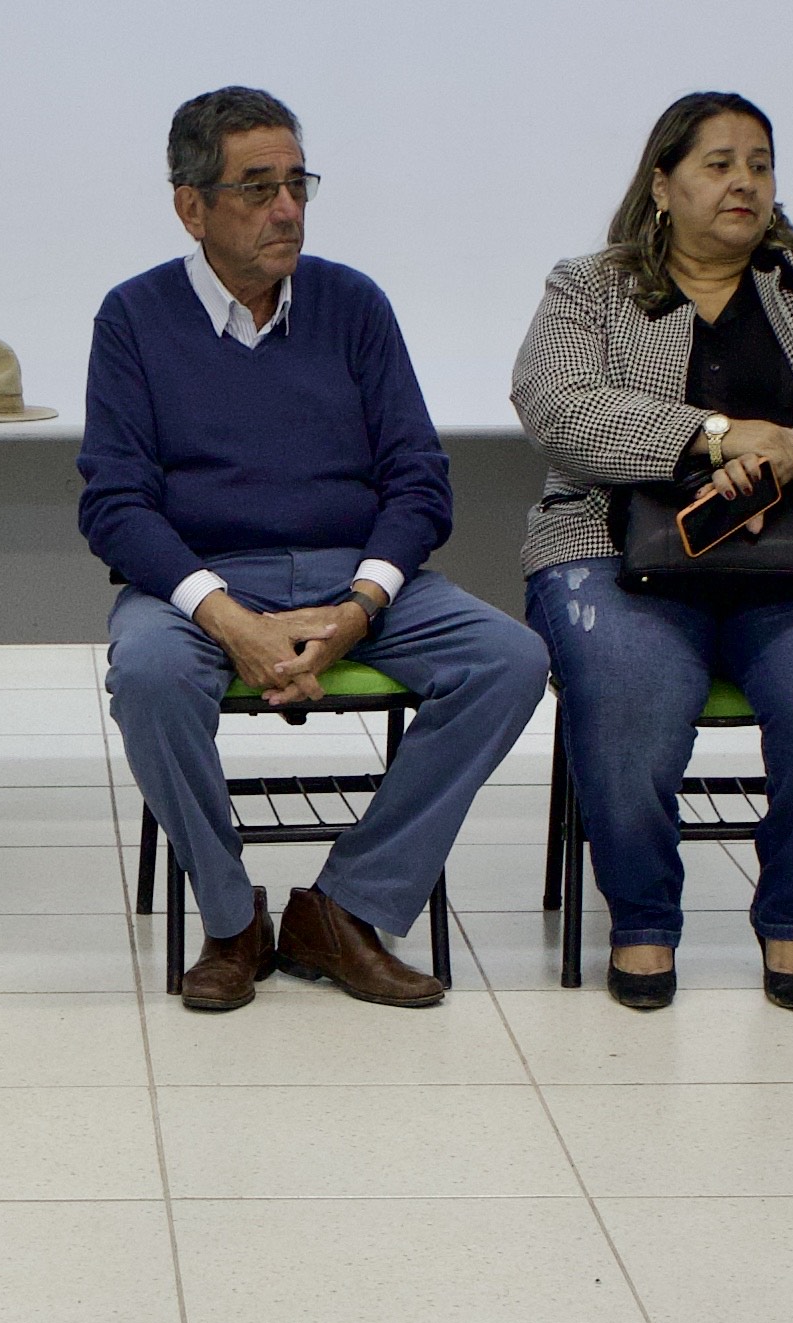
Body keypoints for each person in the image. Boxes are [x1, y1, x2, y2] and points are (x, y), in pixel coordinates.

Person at [84, 87, 548, 1013]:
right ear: (191, 204)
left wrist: (360, 607)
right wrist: (227, 618)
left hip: (354, 574)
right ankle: (229, 920)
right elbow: (114, 505)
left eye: (298, 183)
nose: (286, 208)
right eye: (257, 189)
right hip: (210, 581)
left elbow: (419, 476)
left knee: (509, 658)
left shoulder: (352, 304)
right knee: (145, 671)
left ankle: (345, 906)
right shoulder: (135, 317)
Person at [510, 93, 793, 1010]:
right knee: (628, 688)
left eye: (761, 163)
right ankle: (644, 921)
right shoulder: (588, 287)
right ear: (662, 184)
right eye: (718, 163)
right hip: (612, 547)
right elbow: (558, 407)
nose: (745, 182)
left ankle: (789, 912)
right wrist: (714, 435)